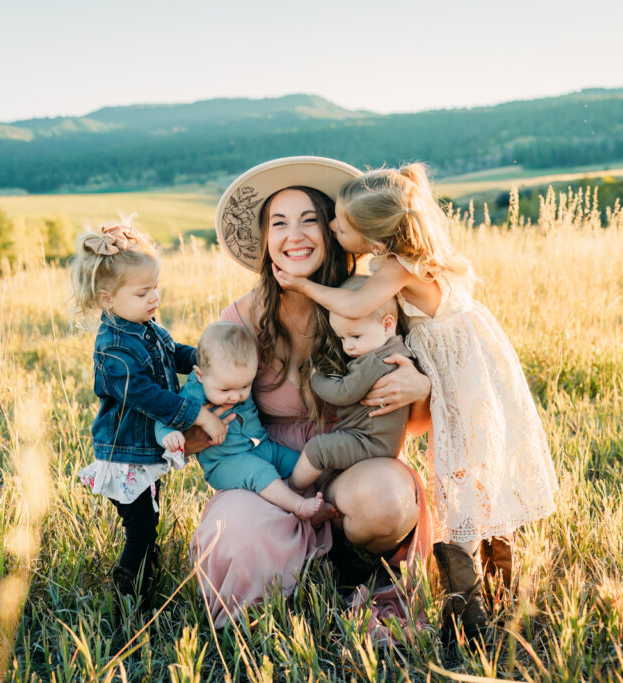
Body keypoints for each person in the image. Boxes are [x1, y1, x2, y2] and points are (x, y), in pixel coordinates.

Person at [273, 162, 560, 638]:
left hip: (461, 382)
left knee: (461, 479)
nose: (333, 228)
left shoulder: (396, 266)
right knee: (476, 475)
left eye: (341, 224)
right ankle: (496, 591)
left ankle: (467, 611)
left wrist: (304, 285)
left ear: (375, 237)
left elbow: (352, 306)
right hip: (473, 376)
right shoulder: (422, 257)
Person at [189, 157, 433, 632]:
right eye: (279, 223)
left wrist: (421, 388)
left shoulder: (370, 303)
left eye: (310, 221)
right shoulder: (237, 321)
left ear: (332, 231)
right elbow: (202, 418)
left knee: (387, 499)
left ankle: (350, 569)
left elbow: (418, 422)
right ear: (265, 239)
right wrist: (190, 424)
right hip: (273, 478)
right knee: (232, 533)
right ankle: (292, 582)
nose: (294, 235)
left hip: (354, 462)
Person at [71, 221, 228, 607]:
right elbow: (146, 396)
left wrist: (203, 358)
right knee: (139, 526)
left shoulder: (146, 326)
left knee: (147, 520)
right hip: (125, 453)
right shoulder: (112, 350)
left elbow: (173, 352)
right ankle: (131, 592)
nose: (154, 297)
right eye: (143, 292)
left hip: (144, 453)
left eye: (156, 287)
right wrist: (197, 415)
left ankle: (145, 567)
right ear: (108, 299)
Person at [155, 322, 329, 520]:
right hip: (225, 462)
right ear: (200, 375)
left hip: (263, 448)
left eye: (245, 387)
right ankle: (298, 506)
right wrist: (169, 434)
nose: (236, 396)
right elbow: (163, 419)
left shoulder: (232, 379)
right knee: (258, 471)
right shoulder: (192, 395)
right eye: (226, 390)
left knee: (297, 463)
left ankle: (311, 511)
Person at [288, 275, 413, 490]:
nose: (348, 347)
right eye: (342, 339)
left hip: (368, 442)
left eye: (355, 336)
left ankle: (292, 490)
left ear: (387, 325)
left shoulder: (376, 361)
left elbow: (343, 393)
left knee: (318, 450)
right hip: (378, 441)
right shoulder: (398, 350)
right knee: (328, 461)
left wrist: (316, 378)